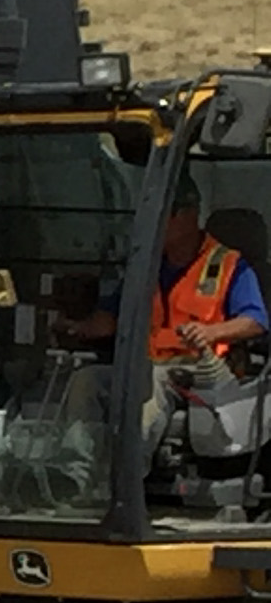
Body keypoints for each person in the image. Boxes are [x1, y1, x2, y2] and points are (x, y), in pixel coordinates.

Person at [76, 186, 269, 447]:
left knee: (149, 383)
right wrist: (74, 326)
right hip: (145, 366)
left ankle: (128, 476)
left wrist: (210, 332)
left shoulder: (230, 266)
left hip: (200, 372)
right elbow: (108, 321)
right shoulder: (146, 267)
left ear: (188, 216)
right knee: (86, 381)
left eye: (162, 215)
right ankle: (79, 473)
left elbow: (255, 321)